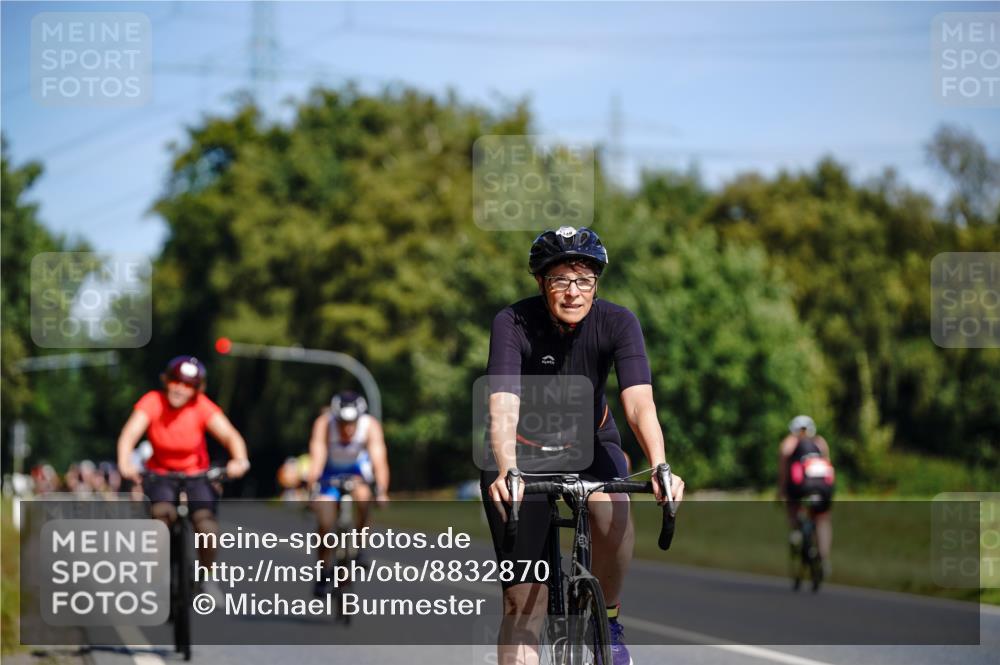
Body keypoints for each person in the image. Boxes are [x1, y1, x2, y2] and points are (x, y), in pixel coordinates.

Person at [481, 226, 685, 665]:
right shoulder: (512, 323)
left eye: (584, 279)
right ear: (541, 282)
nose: (573, 291)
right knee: (524, 609)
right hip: (521, 451)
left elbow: (639, 403)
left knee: (613, 508)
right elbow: (502, 404)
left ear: (597, 283)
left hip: (591, 440)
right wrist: (506, 469)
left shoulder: (618, 321)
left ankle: (607, 620)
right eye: (560, 279)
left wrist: (661, 465)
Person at [117, 355, 250, 601]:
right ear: (167, 381)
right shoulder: (152, 402)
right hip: (160, 474)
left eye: (188, 384)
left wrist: (239, 460)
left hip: (196, 475)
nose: (180, 388)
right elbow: (129, 435)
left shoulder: (202, 406)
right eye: (176, 381)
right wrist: (125, 462)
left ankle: (207, 576)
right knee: (161, 517)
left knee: (206, 525)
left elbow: (231, 436)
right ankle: (159, 576)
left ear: (196, 389)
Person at [306, 390, 390, 595]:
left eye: (352, 422)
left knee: (364, 498)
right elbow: (316, 460)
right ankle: (323, 569)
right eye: (343, 422)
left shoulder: (370, 426)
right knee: (325, 522)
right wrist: (312, 489)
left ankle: (361, 546)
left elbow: (379, 462)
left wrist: (381, 491)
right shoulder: (324, 424)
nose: (348, 428)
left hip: (357, 472)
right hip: (330, 474)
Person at [778, 415, 834, 570]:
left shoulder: (790, 442)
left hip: (800, 486)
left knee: (794, 507)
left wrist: (781, 491)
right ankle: (823, 557)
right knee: (822, 519)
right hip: (823, 487)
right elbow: (828, 465)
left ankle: (796, 531)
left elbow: (783, 471)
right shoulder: (820, 442)